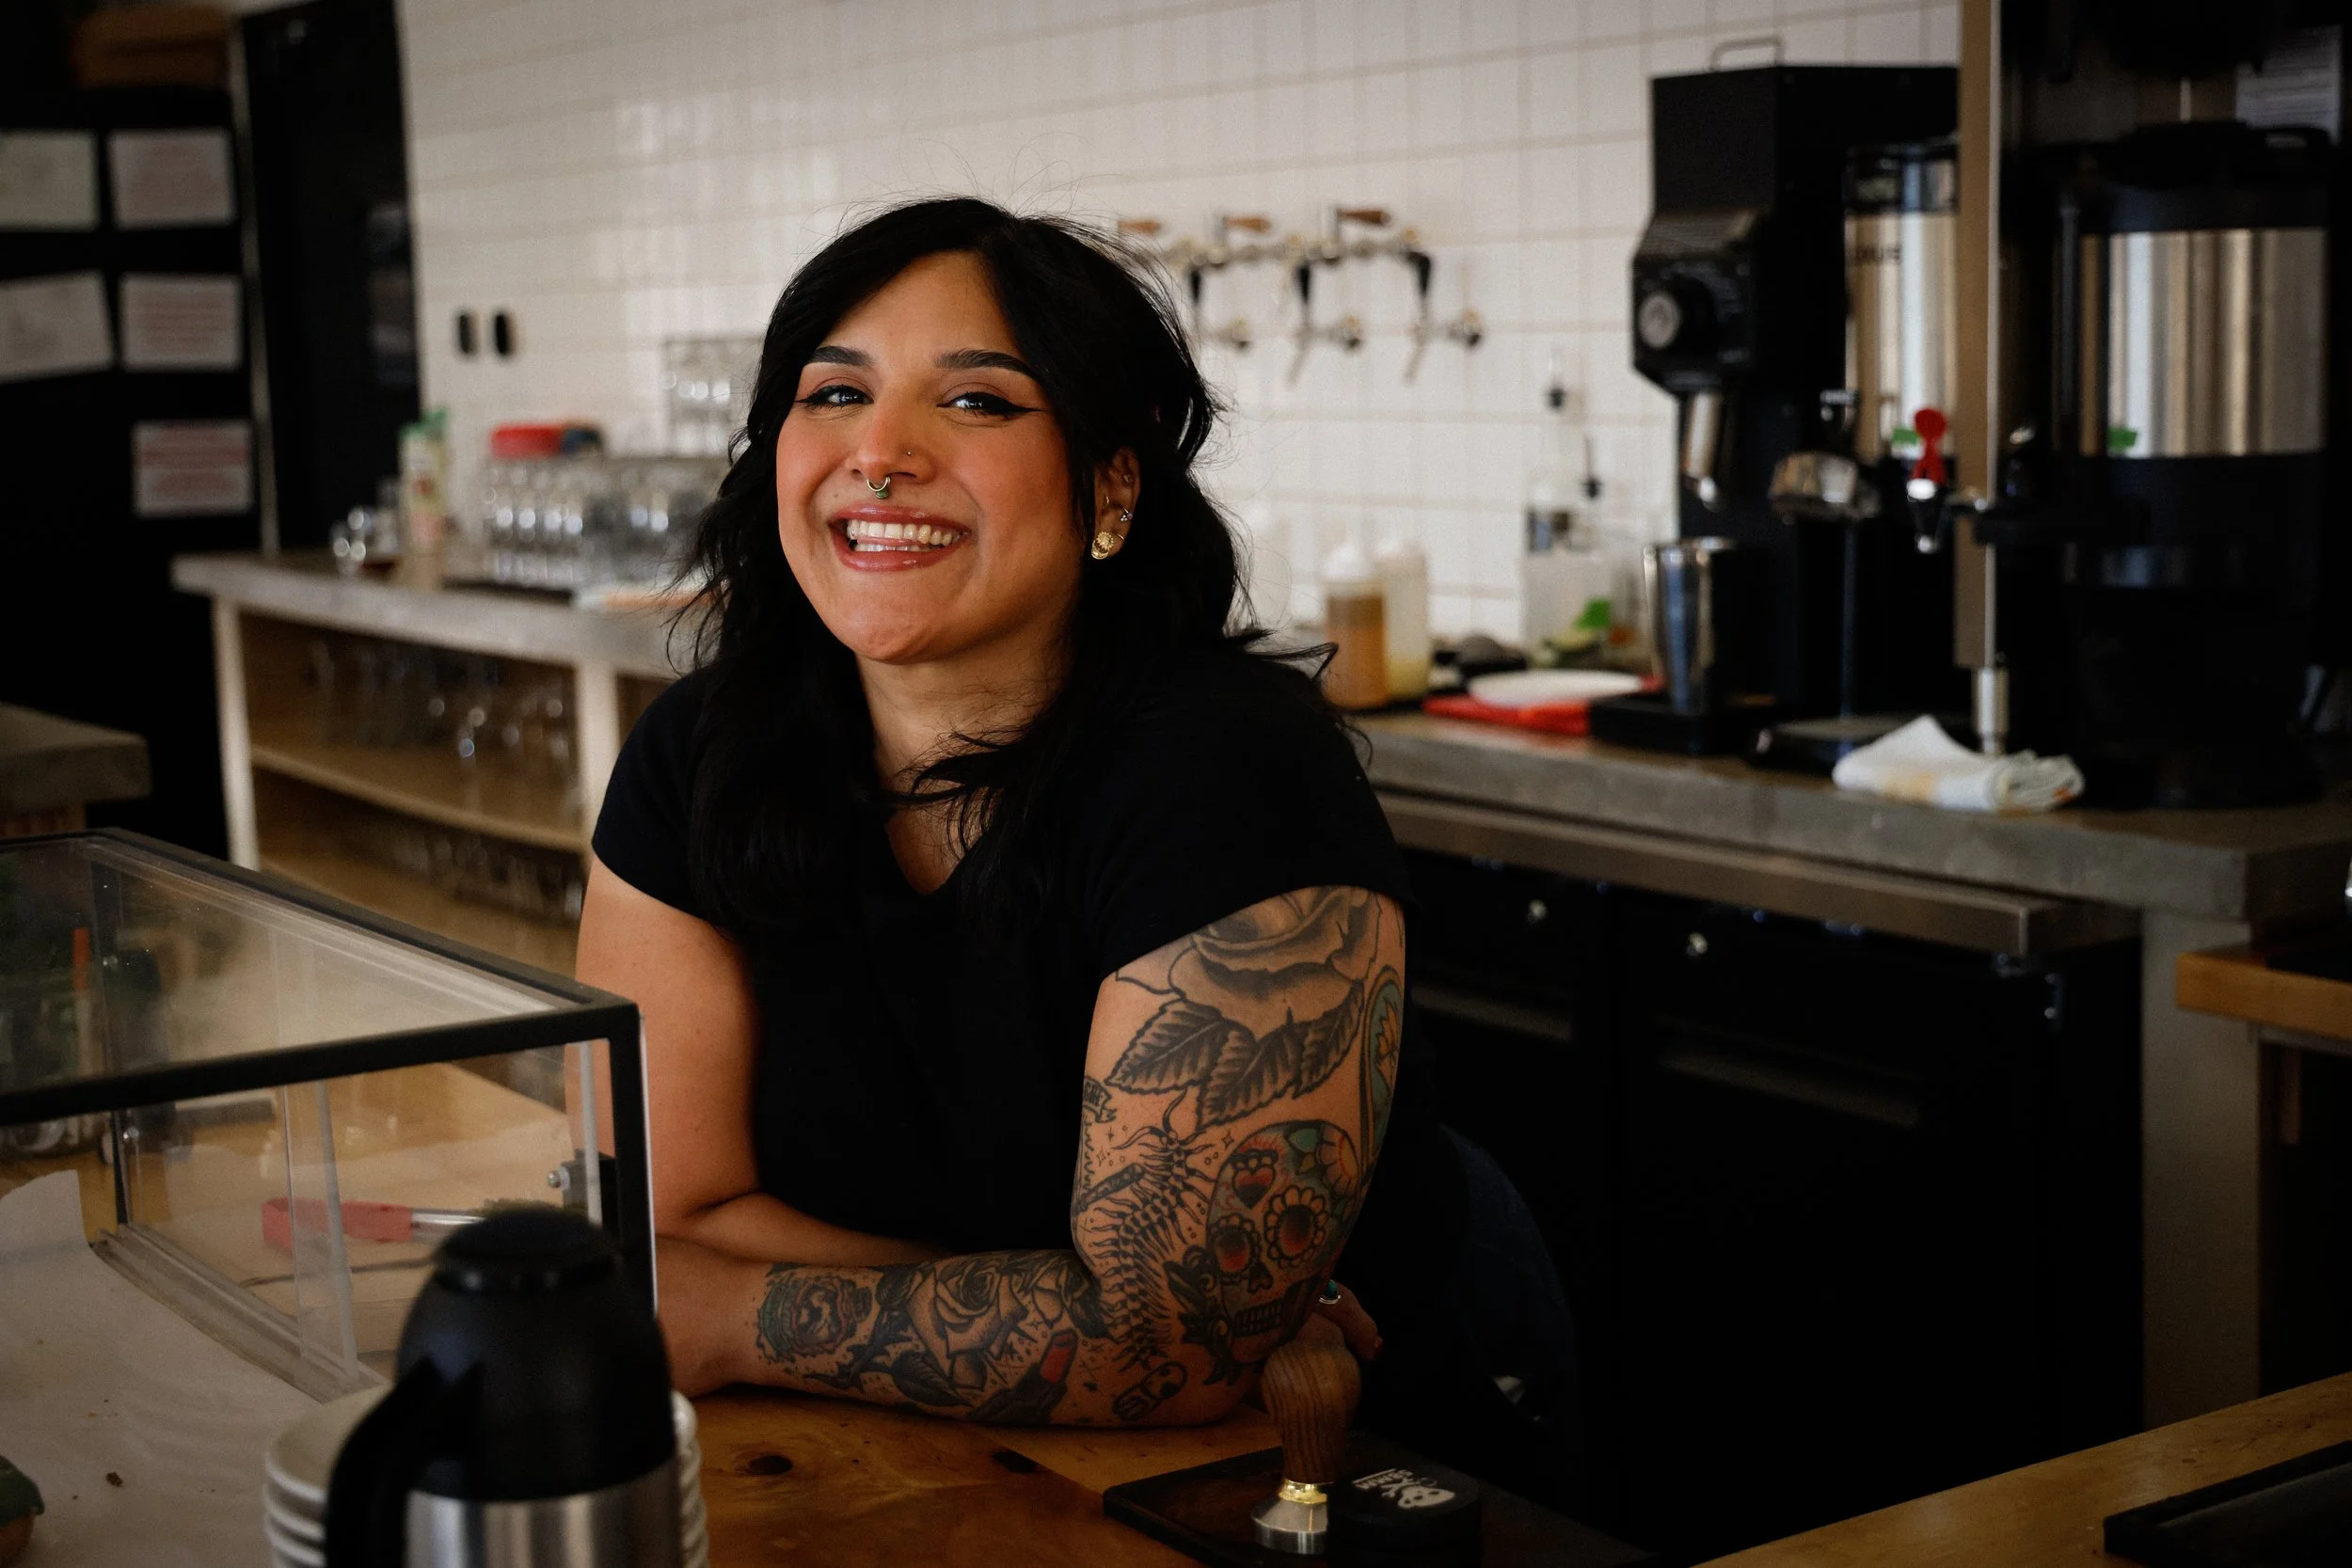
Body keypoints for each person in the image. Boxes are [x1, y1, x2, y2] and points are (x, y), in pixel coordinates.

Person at [578, 197, 1471, 1436]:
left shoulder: (1229, 770)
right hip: (868, 1444)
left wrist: (737, 1315)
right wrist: (1081, 1307)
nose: (878, 452)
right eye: (833, 394)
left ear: (1112, 484)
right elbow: (672, 1221)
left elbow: (1171, 1349)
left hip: (1306, 1468)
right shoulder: (700, 757)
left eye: (978, 401)